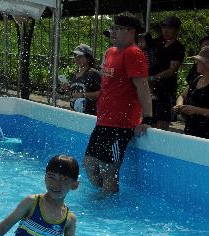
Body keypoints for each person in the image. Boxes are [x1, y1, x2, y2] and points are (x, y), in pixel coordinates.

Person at [84, 13, 153, 193]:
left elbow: (143, 87)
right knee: (89, 164)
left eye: (118, 29)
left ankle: (108, 210)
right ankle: (105, 197)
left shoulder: (133, 53)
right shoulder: (110, 52)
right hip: (103, 120)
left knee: (109, 172)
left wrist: (147, 118)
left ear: (131, 32)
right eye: (113, 28)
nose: (112, 32)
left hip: (120, 124)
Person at [149, 16, 185, 130]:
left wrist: (153, 78)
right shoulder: (155, 42)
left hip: (166, 90)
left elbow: (171, 70)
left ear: (176, 30)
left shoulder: (178, 47)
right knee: (149, 121)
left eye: (169, 27)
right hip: (150, 88)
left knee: (162, 124)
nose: (165, 30)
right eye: (164, 26)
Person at [174, 46, 209, 139]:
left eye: (199, 61)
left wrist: (195, 110)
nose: (196, 63)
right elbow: (182, 95)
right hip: (190, 130)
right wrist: (179, 105)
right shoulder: (196, 79)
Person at [60, 44, 102, 114]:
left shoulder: (94, 74)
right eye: (75, 56)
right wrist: (67, 90)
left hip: (90, 115)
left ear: (88, 58)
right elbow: (74, 94)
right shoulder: (74, 74)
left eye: (80, 56)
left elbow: (101, 94)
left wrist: (83, 95)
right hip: (76, 114)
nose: (77, 59)